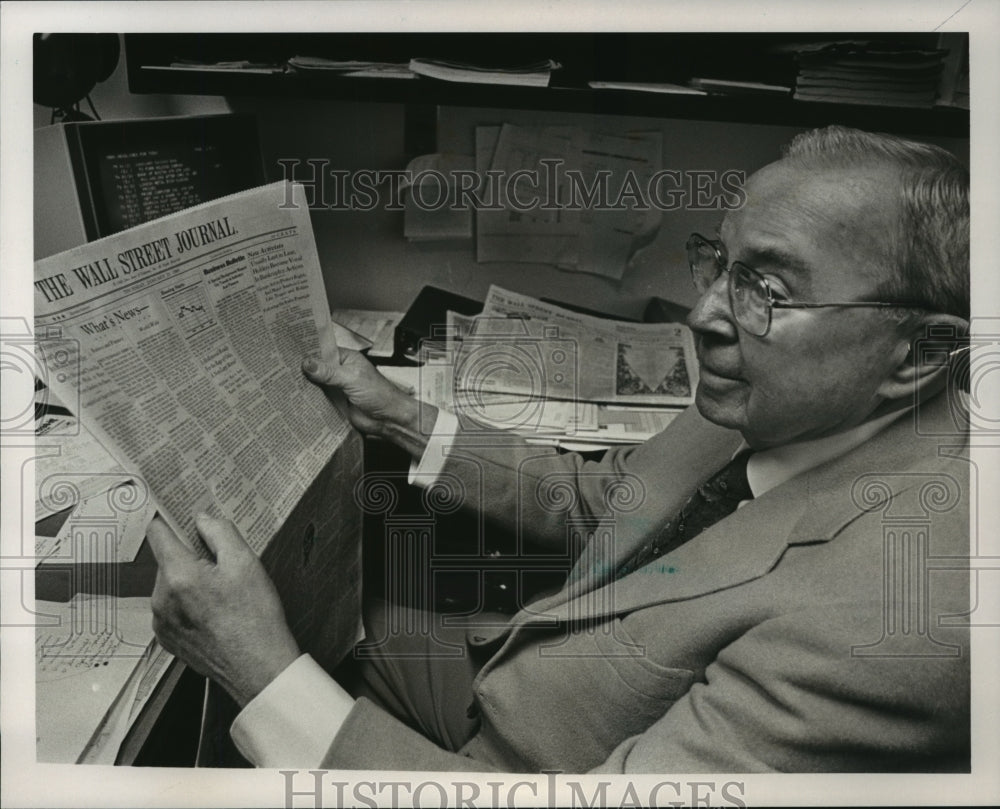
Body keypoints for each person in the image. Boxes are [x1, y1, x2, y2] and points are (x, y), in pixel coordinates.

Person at [147, 125, 972, 772]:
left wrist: (261, 671)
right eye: (722, 263)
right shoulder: (781, 396)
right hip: (521, 674)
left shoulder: (897, 628)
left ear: (920, 355)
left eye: (769, 289)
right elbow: (608, 505)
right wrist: (399, 416)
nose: (705, 314)